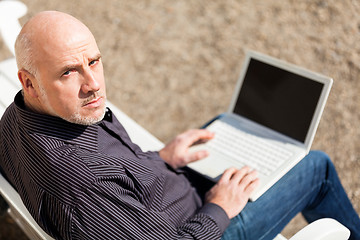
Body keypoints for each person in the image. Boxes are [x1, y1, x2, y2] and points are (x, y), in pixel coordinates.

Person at [0, 11, 359, 240]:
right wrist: (220, 206)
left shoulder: (18, 117)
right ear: (28, 82)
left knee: (219, 130)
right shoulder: (81, 185)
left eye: (94, 61)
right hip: (205, 226)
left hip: (165, 195)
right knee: (316, 167)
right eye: (69, 72)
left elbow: (114, 179)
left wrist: (163, 158)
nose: (93, 84)